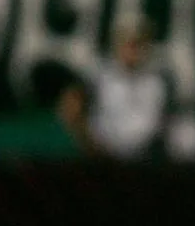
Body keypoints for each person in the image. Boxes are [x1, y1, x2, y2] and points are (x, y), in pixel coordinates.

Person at [58, 13, 171, 162]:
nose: (132, 51)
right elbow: (72, 108)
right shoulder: (97, 78)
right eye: (128, 44)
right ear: (117, 45)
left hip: (145, 160)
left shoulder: (157, 82)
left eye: (138, 45)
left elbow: (155, 127)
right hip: (102, 158)